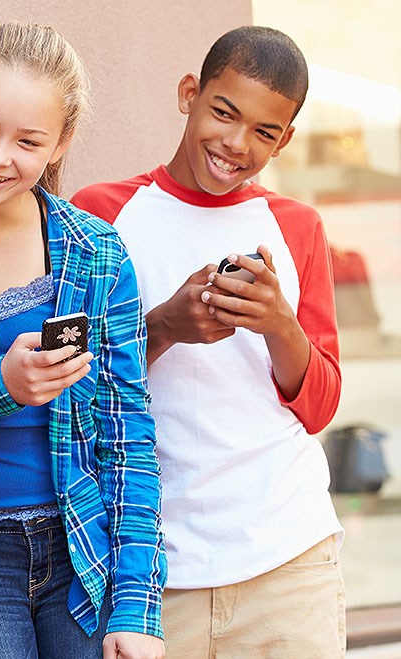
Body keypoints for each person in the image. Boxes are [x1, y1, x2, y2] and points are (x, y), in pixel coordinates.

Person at [71, 26, 345, 658]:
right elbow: (73, 391)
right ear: (188, 94)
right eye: (224, 112)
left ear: (286, 140)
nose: (236, 143)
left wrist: (280, 323)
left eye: (264, 132)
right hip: (152, 573)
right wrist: (165, 326)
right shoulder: (101, 213)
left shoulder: (298, 227)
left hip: (288, 563)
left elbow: (321, 407)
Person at [0, 21, 166, 659]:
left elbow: (127, 433)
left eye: (28, 141)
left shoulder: (94, 253)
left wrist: (138, 605)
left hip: (78, 549)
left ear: (61, 143)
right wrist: (2, 385)